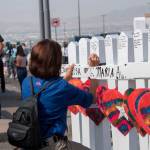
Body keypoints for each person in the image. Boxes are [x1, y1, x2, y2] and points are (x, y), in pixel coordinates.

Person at [21, 39, 99, 150]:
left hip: (29, 142)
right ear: (55, 62)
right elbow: (91, 99)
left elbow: (47, 92)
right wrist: (93, 70)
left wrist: (65, 79)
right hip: (53, 145)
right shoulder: (62, 87)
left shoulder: (27, 82)